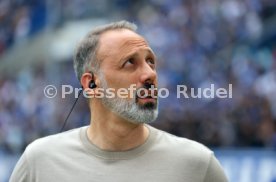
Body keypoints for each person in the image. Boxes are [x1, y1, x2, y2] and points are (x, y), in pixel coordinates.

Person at [10, 20, 228, 182]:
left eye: (150, 62)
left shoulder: (197, 165)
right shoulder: (39, 161)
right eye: (130, 63)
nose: (150, 74)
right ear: (91, 84)